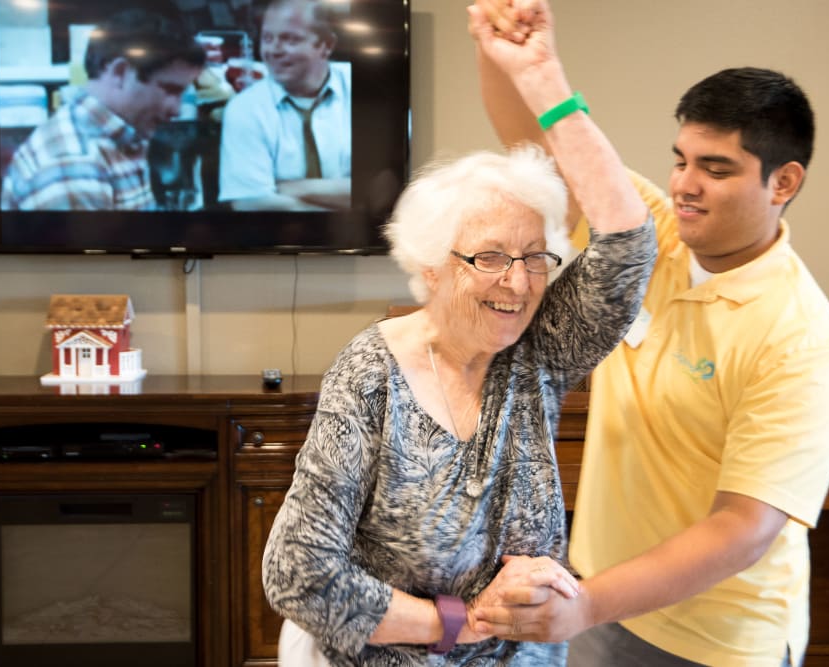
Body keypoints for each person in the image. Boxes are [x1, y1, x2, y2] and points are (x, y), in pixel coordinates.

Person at [466, 2, 829, 666]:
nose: (684, 185)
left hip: (719, 640)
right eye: (680, 160)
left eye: (717, 168)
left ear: (783, 181)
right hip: (602, 599)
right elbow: (539, 149)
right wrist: (515, 59)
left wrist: (586, 604)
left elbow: (742, 527)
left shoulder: (799, 337)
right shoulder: (648, 236)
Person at [261, 141, 655, 665]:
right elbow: (297, 571)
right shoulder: (371, 374)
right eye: (489, 256)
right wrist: (460, 622)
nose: (517, 282)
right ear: (431, 267)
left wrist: (546, 87)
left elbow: (629, 249)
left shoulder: (540, 349)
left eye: (534, 256)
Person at [0, 7, 206, 211]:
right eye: (170, 90)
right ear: (120, 72)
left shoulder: (122, 138)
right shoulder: (74, 166)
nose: (177, 110)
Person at [218, 0, 352, 211]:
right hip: (272, 239)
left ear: (326, 46)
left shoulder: (365, 88)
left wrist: (295, 188)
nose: (274, 50)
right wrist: (345, 216)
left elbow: (384, 190)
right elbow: (250, 202)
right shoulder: (245, 107)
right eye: (267, 38)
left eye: (289, 39)